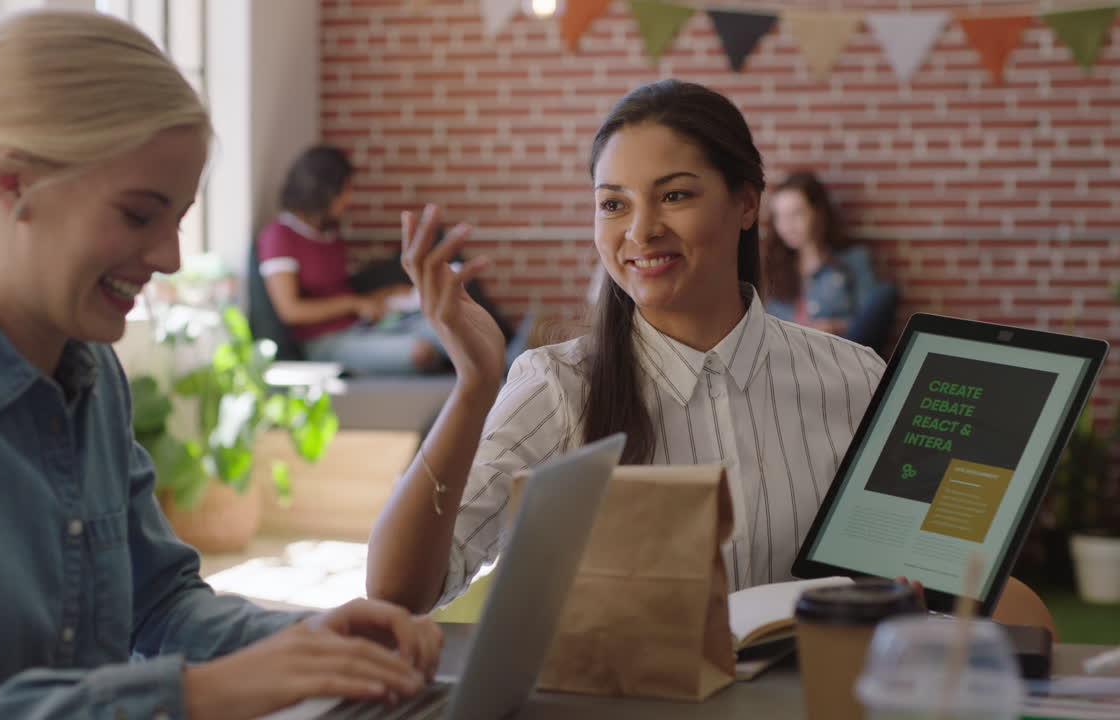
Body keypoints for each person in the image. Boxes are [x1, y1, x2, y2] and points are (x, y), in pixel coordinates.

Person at [0, 9, 439, 720]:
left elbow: (158, 603)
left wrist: (312, 638)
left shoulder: (93, 376)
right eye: (137, 215)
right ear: (12, 184)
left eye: (178, 219)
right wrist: (190, 695)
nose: (170, 258)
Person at [365, 80, 1054, 633]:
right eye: (613, 203)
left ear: (747, 202)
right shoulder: (556, 385)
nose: (640, 230)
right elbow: (401, 592)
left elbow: (945, 578)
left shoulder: (855, 377)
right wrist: (474, 385)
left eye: (676, 195)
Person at [257, 145, 444, 375]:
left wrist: (383, 296)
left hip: (360, 328)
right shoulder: (279, 236)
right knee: (421, 351)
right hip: (324, 343)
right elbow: (290, 310)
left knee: (448, 328)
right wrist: (353, 303)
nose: (350, 198)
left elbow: (338, 292)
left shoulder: (330, 235)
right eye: (345, 189)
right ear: (323, 190)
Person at [761, 170, 891, 344]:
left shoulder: (853, 259)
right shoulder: (772, 266)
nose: (786, 225)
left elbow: (870, 321)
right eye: (780, 216)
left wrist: (836, 326)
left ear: (818, 212)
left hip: (837, 355)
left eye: (796, 214)